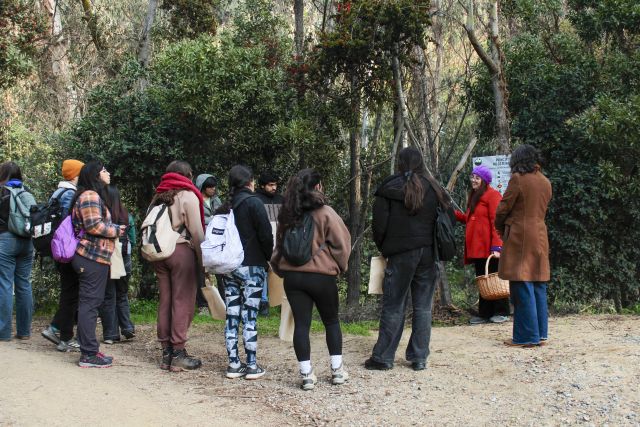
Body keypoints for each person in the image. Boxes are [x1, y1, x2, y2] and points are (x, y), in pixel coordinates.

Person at [365, 147, 454, 371]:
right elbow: (449, 218)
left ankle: (383, 358)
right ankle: (419, 357)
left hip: (400, 254)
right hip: (428, 253)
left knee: (394, 305)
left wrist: (385, 248)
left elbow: (379, 225)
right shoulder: (434, 187)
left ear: (400, 163)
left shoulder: (389, 187)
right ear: (421, 162)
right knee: (423, 307)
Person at [270, 168, 351, 390]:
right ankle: (337, 371)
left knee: (301, 325)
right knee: (331, 321)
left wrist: (281, 270)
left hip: (293, 278)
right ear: (317, 186)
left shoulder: (287, 215)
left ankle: (306, 375)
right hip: (322, 277)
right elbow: (342, 244)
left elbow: (278, 247)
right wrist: (339, 267)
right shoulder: (326, 213)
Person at [150, 161, 205, 371]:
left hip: (159, 253)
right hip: (181, 251)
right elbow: (197, 232)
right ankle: (178, 353)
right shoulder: (188, 196)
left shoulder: (158, 196)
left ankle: (166, 352)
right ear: (188, 175)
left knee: (165, 300)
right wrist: (203, 260)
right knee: (182, 301)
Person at [495, 144, 552, 347]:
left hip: (520, 236)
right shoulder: (545, 181)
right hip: (540, 235)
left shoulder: (518, 179)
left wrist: (501, 227)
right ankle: (541, 334)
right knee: (538, 283)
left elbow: (502, 209)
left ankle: (526, 336)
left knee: (522, 284)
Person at [219, 165, 273, 380]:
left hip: (228, 267)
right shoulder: (254, 203)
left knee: (231, 314)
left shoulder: (224, 207)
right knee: (250, 315)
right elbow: (266, 235)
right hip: (252, 266)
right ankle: (251, 365)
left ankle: (233, 364)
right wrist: (268, 257)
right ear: (250, 182)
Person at [70, 161, 126, 367]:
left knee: (90, 303)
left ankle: (89, 349)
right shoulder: (90, 196)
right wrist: (117, 230)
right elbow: (93, 226)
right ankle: (88, 354)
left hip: (95, 257)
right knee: (90, 305)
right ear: (95, 175)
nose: (108, 173)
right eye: (104, 170)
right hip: (90, 257)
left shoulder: (91, 195)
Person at [454, 165, 509, 324]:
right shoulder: (474, 196)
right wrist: (452, 213)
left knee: (495, 278)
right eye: (472, 177)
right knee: (483, 280)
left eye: (477, 178)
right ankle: (485, 313)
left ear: (484, 180)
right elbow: (469, 219)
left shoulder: (493, 195)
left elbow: (496, 222)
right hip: (477, 249)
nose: (473, 180)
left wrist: (497, 247)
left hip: (490, 248)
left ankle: (502, 311)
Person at [41, 159, 84, 351]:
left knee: (69, 292)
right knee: (71, 294)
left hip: (57, 248)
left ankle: (59, 331)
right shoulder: (70, 194)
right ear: (75, 175)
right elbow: (70, 224)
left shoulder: (57, 192)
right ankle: (62, 335)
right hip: (67, 249)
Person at [0, 162, 35, 341]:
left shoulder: (2, 192)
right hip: (27, 242)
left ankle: (3, 332)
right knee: (24, 285)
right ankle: (24, 331)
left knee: (4, 284)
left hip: (6, 240)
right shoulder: (26, 192)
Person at [99, 185, 135, 344]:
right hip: (124, 256)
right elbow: (133, 239)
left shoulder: (101, 216)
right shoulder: (126, 215)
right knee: (122, 293)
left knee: (108, 295)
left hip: (106, 257)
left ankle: (110, 334)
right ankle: (127, 327)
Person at [255, 171, 284, 316]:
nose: (274, 188)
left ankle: (280, 301)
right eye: (270, 185)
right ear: (262, 185)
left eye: (275, 185)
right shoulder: (256, 199)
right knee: (263, 270)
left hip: (279, 241)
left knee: (279, 270)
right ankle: (263, 302)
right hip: (262, 240)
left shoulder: (281, 199)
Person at [194, 173, 224, 312]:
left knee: (221, 271)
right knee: (201, 272)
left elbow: (222, 215)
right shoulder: (195, 200)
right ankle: (202, 304)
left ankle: (223, 302)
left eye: (214, 187)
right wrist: (211, 219)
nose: (213, 189)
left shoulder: (216, 200)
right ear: (203, 187)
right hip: (201, 239)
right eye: (210, 187)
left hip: (216, 240)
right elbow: (195, 218)